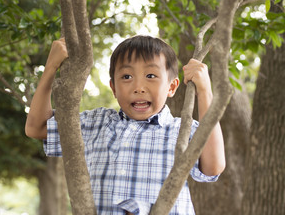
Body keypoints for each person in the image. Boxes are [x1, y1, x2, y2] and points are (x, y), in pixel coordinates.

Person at [25, 35, 225, 215]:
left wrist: (204, 91)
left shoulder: (181, 130)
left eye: (151, 76)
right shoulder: (95, 124)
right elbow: (37, 127)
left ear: (172, 87)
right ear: (113, 87)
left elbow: (213, 167)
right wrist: (51, 67)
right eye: (126, 77)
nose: (138, 87)